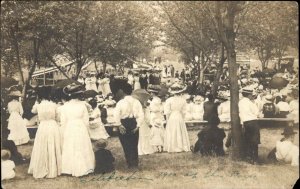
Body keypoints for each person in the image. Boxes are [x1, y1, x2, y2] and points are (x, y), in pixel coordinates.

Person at [60, 84, 95, 177]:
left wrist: (63, 132)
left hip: (70, 126)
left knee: (70, 145)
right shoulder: (82, 105)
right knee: (81, 145)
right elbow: (86, 121)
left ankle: (69, 168)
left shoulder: (65, 106)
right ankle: (84, 166)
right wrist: (88, 131)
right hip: (80, 126)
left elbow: (63, 122)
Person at [28, 89, 62, 179]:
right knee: (53, 144)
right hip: (52, 125)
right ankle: (55, 167)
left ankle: (42, 165)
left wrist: (36, 101)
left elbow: (32, 111)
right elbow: (58, 118)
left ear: (39, 96)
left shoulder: (38, 106)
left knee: (42, 145)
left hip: (43, 126)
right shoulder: (54, 105)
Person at [114, 83, 144, 168]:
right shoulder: (137, 101)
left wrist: (119, 125)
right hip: (133, 122)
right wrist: (138, 126)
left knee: (125, 144)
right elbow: (141, 114)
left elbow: (116, 114)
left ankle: (129, 163)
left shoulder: (120, 102)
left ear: (123, 91)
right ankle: (134, 163)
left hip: (124, 122)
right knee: (134, 144)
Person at [239, 88, 260, 164]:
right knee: (255, 141)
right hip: (253, 122)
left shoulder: (240, 102)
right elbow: (257, 112)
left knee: (248, 140)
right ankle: (255, 159)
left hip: (245, 122)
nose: (252, 96)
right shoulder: (251, 103)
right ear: (248, 95)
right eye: (251, 95)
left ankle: (249, 157)